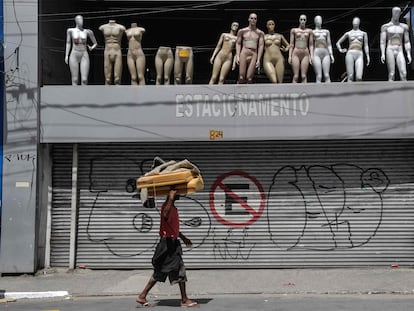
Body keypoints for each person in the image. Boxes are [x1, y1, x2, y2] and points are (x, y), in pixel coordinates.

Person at [136, 189, 198, 308]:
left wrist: (183, 238)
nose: (178, 195)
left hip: (172, 244)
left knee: (162, 272)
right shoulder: (167, 206)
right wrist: (170, 198)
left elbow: (172, 227)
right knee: (178, 269)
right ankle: (184, 299)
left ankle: (142, 296)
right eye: (176, 193)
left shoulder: (173, 208)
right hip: (167, 245)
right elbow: (165, 215)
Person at [380, 6, 412, 81]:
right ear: (392, 13)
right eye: (395, 12)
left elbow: (407, 41)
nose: (396, 14)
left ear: (400, 14)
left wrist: (408, 54)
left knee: (404, 73)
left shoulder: (404, 27)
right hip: (390, 49)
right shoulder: (385, 27)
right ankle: (390, 91)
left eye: (398, 13)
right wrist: (383, 53)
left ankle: (405, 92)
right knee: (391, 73)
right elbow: (382, 41)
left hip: (399, 50)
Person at [65, 15, 97, 86]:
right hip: (74, 53)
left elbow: (95, 43)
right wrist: (66, 55)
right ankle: (75, 95)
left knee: (84, 80)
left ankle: (84, 95)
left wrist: (92, 47)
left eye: (82, 20)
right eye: (79, 20)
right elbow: (68, 43)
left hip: (84, 54)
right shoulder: (70, 30)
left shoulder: (87, 32)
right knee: (75, 79)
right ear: (76, 21)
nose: (81, 21)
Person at [336, 17, 370, 82]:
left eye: (357, 22)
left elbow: (366, 45)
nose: (355, 23)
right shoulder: (348, 33)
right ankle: (349, 90)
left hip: (359, 53)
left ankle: (359, 91)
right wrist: (340, 49)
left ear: (359, 23)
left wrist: (368, 55)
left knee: (359, 77)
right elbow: (338, 43)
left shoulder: (363, 33)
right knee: (350, 76)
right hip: (350, 53)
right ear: (352, 23)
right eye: (354, 22)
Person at [235, 13, 265, 84]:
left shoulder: (260, 33)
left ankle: (248, 92)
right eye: (251, 18)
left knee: (249, 78)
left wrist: (258, 59)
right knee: (241, 77)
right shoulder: (242, 31)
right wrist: (237, 56)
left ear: (257, 20)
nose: (253, 20)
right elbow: (238, 43)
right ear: (248, 19)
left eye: (255, 18)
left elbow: (261, 46)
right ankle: (238, 90)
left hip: (253, 53)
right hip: (244, 52)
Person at [99, 20, 126, 85]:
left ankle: (118, 93)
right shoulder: (103, 27)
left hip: (117, 50)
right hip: (107, 51)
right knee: (107, 78)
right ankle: (107, 94)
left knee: (117, 78)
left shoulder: (121, 27)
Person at [288, 14, 314, 83]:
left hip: (305, 53)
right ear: (299, 20)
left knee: (304, 76)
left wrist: (312, 56)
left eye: (304, 20)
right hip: (296, 52)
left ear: (306, 21)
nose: (302, 21)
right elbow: (291, 44)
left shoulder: (309, 31)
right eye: (301, 19)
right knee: (296, 76)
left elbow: (311, 45)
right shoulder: (294, 30)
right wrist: (289, 56)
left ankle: (305, 92)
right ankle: (294, 92)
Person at [263, 19, 289, 83]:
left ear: (274, 25)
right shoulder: (264, 37)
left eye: (272, 24)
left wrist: (285, 49)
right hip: (268, 59)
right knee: (274, 81)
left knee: (280, 82)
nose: (271, 26)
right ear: (267, 26)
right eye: (269, 24)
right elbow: (259, 47)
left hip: (279, 58)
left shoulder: (280, 36)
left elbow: (288, 45)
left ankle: (280, 92)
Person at [312, 15, 334, 83]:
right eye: (317, 20)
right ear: (315, 21)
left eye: (320, 19)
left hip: (326, 52)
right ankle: (317, 92)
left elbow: (329, 44)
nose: (319, 21)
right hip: (316, 52)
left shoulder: (326, 31)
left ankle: (330, 92)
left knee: (327, 75)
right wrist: (311, 56)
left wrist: (331, 54)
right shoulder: (312, 32)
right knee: (319, 76)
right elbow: (311, 45)